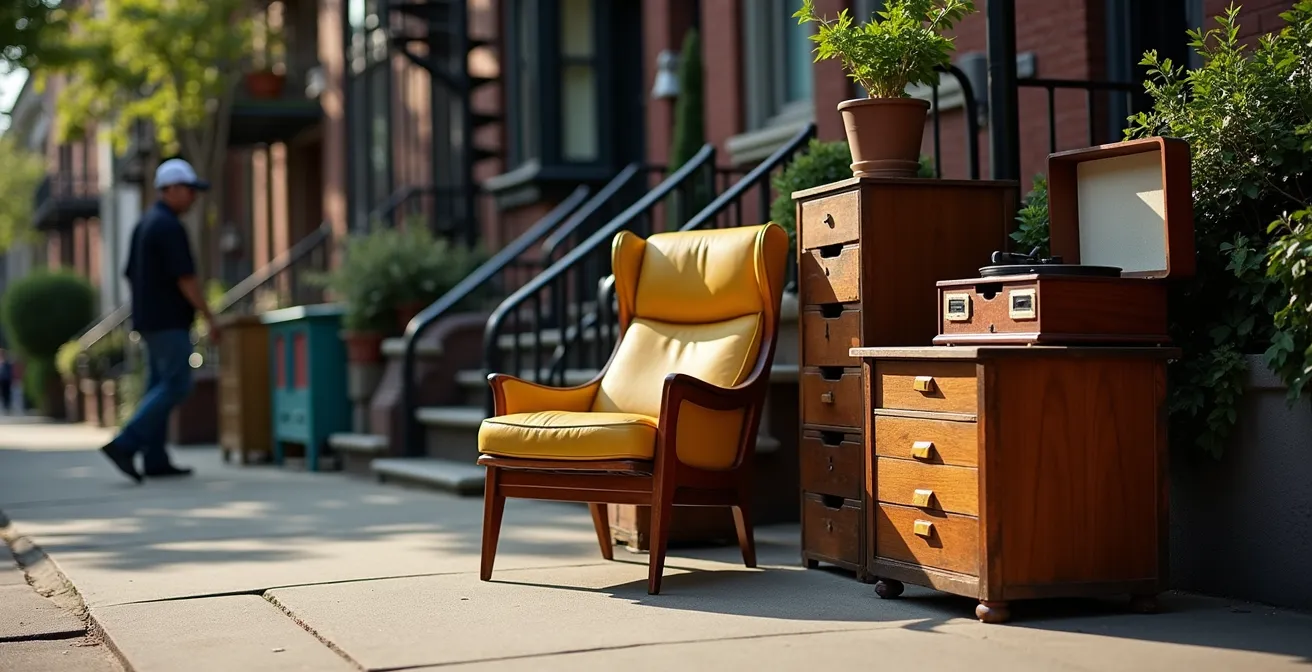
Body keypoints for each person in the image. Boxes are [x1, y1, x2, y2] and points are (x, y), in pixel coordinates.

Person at [101, 158, 220, 484]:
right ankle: (125, 443)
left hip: (149, 320)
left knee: (158, 385)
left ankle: (155, 458)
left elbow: (129, 272)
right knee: (177, 384)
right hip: (169, 322)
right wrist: (210, 317)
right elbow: (186, 278)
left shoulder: (145, 224)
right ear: (172, 189)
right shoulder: (168, 227)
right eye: (190, 190)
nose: (193, 197)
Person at [0, 349, 13, 414]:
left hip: (6, 380)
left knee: (6, 394)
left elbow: (10, 372)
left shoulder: (7, 362)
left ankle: (7, 408)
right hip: (1, 380)